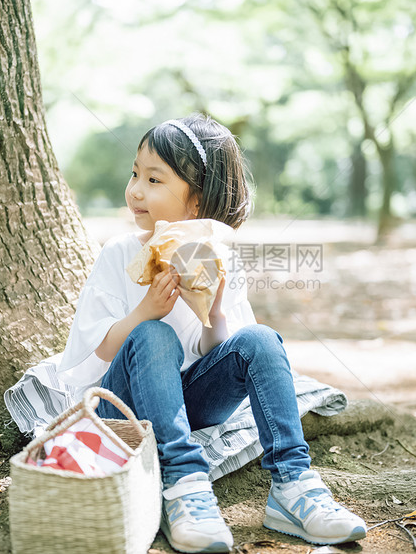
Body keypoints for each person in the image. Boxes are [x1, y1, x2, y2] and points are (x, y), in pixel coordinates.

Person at [57, 114, 367, 553]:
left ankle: (293, 486)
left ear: (197, 202)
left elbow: (221, 352)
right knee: (154, 336)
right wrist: (146, 311)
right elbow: (103, 347)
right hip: (123, 399)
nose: (136, 190)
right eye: (135, 174)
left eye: (154, 179)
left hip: (194, 401)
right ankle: (184, 487)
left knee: (259, 337)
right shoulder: (121, 252)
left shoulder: (216, 257)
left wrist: (214, 313)